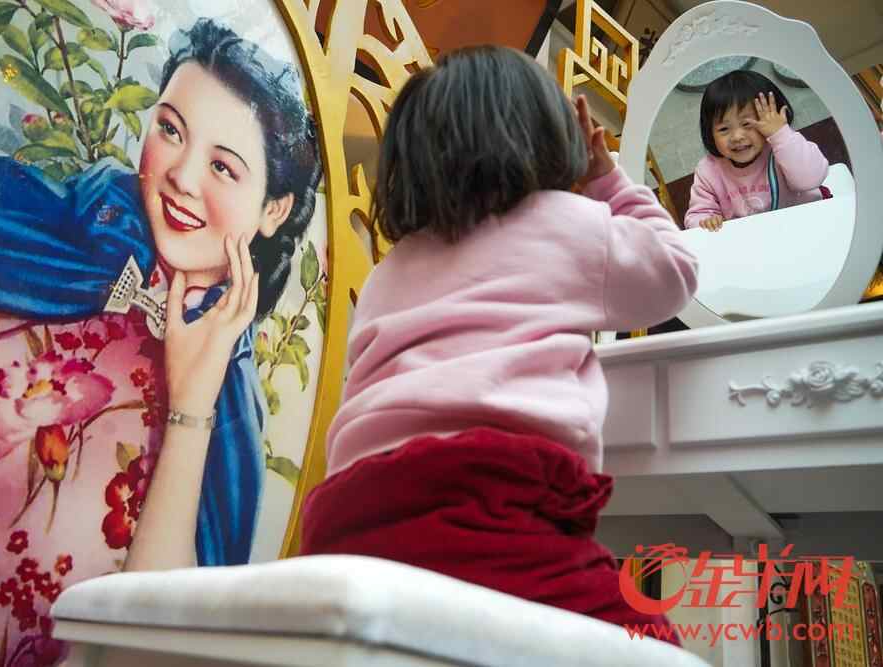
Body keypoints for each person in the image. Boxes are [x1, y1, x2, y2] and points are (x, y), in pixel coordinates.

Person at [0, 2, 319, 663]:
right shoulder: (24, 221)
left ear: (274, 210)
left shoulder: (225, 421)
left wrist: (191, 409)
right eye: (170, 131)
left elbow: (148, 652)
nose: (182, 176)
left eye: (224, 167)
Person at [293, 46, 698, 644]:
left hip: (346, 516)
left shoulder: (388, 270)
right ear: (549, 138)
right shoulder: (569, 222)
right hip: (493, 496)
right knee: (645, 645)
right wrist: (605, 179)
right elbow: (675, 271)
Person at [684, 70, 829, 231]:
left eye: (747, 124)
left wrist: (780, 133)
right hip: (753, 238)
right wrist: (706, 221)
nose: (737, 136)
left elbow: (811, 179)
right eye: (724, 129)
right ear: (709, 133)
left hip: (803, 225)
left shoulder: (784, 147)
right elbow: (697, 215)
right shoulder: (708, 171)